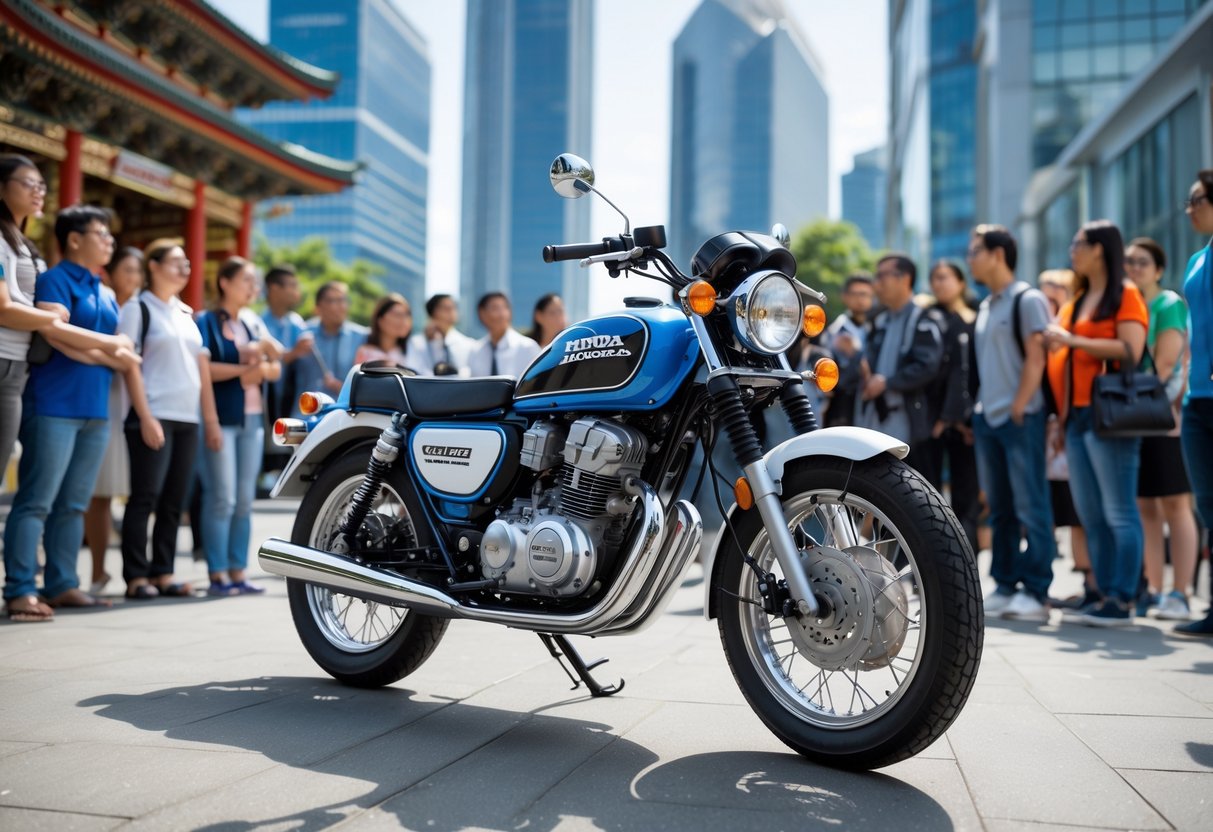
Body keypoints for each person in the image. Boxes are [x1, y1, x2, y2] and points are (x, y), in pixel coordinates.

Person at [2, 205, 139, 620]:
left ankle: (62, 584)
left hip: (95, 408)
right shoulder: (53, 279)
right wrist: (112, 347)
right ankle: (20, 588)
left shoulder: (106, 289)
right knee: (36, 501)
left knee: (74, 504)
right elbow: (54, 334)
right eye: (102, 234)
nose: (109, 242)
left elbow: (121, 352)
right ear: (75, 239)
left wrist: (110, 350)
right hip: (53, 404)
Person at [1, 155, 133, 486]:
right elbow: (5, 309)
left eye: (41, 185)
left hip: (18, 366)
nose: (38, 191)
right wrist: (51, 316)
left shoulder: (25, 247)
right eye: (28, 183)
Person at [1043, 220, 1148, 627]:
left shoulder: (1127, 294)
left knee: (1119, 510)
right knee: (1091, 513)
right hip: (1076, 415)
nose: (1072, 250)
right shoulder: (1082, 297)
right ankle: (1103, 593)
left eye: (1078, 243)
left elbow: (1131, 350)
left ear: (1100, 249)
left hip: (1111, 413)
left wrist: (1073, 342)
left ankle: (1122, 598)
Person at [968, 225, 1056, 621]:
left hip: (1021, 418)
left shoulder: (1029, 299)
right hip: (989, 419)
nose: (970, 259)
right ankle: (1005, 583)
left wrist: (1020, 405)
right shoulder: (986, 306)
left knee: (1031, 506)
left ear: (998, 254)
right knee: (1000, 508)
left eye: (976, 252)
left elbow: (1038, 358)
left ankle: (1037, 591)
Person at [118, 240, 208, 600]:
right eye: (175, 262)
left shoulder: (186, 312)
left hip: (187, 416)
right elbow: (130, 364)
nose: (184, 268)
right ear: (152, 266)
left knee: (174, 499)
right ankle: (136, 577)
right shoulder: (137, 308)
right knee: (145, 497)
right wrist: (145, 416)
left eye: (186, 263)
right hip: (153, 413)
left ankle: (163, 572)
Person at [197, 257, 281, 596]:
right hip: (222, 415)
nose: (253, 287)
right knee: (222, 498)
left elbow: (275, 367)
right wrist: (244, 372)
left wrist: (260, 363)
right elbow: (203, 368)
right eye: (246, 280)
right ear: (224, 283)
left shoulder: (253, 322)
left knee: (245, 500)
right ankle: (217, 573)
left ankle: (237, 570)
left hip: (252, 419)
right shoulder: (206, 321)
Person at [1125, 237, 1195, 621]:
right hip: (1139, 419)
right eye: (1129, 262)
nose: (1133, 268)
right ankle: (1154, 588)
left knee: (1176, 504)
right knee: (1146, 507)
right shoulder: (1131, 305)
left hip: (1168, 420)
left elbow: (1166, 367)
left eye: (1141, 262)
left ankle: (1180, 592)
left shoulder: (1167, 304)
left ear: (1158, 268)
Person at [85, 246, 144, 596]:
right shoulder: (105, 309)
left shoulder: (141, 310)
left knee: (111, 493)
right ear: (111, 273)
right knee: (97, 494)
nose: (134, 278)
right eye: (128, 271)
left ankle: (103, 570)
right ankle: (96, 570)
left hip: (130, 409)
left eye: (138, 272)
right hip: (104, 402)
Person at [1038, 269, 1096, 610]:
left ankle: (1098, 585)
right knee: (1071, 513)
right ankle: (1088, 584)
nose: (1050, 296)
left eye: (1057, 289)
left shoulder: (1072, 325)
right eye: (1045, 291)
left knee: (1085, 512)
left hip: (1076, 420)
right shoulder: (1052, 331)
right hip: (1059, 425)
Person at [856, 254, 945, 469]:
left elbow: (927, 366)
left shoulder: (924, 318)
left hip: (908, 423)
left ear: (905, 279)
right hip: (875, 419)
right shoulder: (880, 320)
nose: (876, 284)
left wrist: (887, 382)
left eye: (882, 276)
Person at [1175, 169, 1213, 637]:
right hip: (1197, 399)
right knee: (1207, 505)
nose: (1189, 207)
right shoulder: (1196, 260)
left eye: (1197, 198)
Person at [923, 260, 980, 554]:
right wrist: (943, 417)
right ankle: (938, 562)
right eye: (934, 278)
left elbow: (972, 371)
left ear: (961, 282)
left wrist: (959, 418)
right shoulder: (928, 317)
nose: (938, 284)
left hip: (967, 420)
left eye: (944, 277)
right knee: (929, 496)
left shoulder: (977, 317)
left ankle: (969, 564)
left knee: (967, 495)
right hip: (932, 421)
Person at [290, 281, 365, 406]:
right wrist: (294, 352)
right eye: (332, 301)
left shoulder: (362, 337)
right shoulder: (302, 332)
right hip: (306, 413)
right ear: (318, 307)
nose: (340, 306)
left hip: (345, 416)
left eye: (343, 300)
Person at [260, 264, 312, 423]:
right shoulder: (258, 323)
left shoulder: (296, 322)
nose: (297, 291)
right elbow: (264, 363)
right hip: (265, 404)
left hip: (293, 404)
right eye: (292, 286)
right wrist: (294, 353)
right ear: (274, 289)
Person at [821, 273, 874, 428]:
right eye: (855, 294)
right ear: (845, 297)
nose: (860, 299)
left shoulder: (876, 326)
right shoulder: (836, 331)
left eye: (865, 294)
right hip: (843, 405)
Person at [468, 292, 540, 377]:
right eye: (495, 308)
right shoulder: (476, 351)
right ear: (482, 314)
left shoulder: (528, 347)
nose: (502, 314)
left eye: (505, 308)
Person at [354, 293, 431, 371]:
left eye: (407, 315)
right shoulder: (365, 352)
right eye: (397, 315)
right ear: (380, 320)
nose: (404, 321)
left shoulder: (412, 351)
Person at [421, 293, 476, 375]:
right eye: (446, 308)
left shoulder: (469, 344)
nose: (452, 311)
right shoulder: (420, 343)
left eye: (454, 307)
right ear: (432, 313)